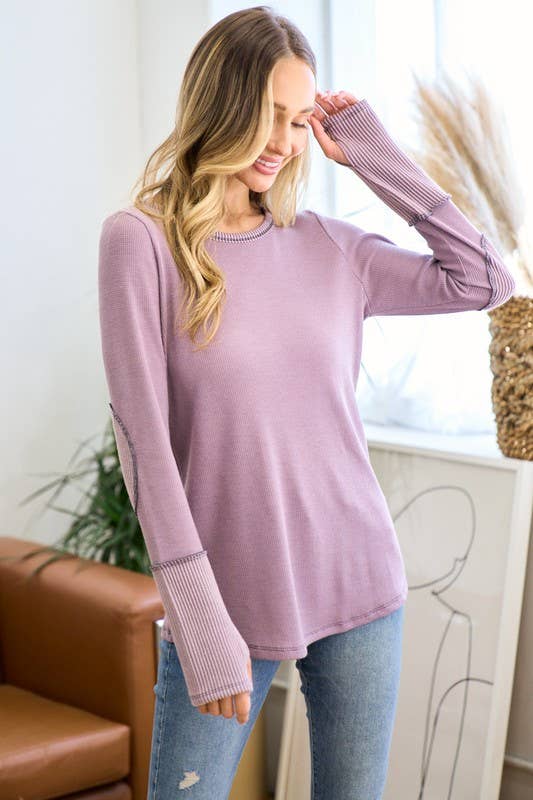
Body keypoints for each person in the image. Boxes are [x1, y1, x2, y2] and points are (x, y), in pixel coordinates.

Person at [97, 6, 515, 799]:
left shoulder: (327, 244)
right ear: (218, 102)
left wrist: (374, 155)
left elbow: (483, 279)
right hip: (226, 603)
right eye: (268, 113)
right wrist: (199, 624)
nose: (284, 141)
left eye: (297, 120)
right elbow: (143, 447)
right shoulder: (141, 242)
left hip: (358, 582)